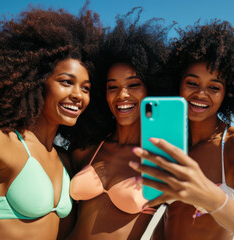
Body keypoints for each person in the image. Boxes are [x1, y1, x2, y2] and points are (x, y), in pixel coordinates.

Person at [0, 6, 102, 240]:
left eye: (86, 88)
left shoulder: (64, 159)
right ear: (36, 82)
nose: (78, 95)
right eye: (66, 82)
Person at [129, 19, 234, 239]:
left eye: (214, 87)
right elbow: (170, 215)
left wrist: (206, 194)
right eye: (192, 83)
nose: (201, 94)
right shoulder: (172, 141)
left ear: (227, 93)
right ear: (178, 83)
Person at [63, 8, 172, 240]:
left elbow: (175, 227)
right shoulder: (88, 149)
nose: (122, 95)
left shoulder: (161, 160)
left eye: (133, 85)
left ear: (151, 89)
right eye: (112, 87)